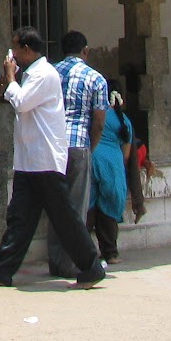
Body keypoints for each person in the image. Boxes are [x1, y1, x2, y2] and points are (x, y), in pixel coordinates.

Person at [0, 27, 107, 289]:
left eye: (14, 48)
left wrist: (11, 77)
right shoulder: (31, 74)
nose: (11, 55)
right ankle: (0, 271)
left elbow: (21, 102)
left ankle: (90, 267)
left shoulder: (44, 74)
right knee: (19, 218)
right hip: (28, 161)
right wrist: (10, 80)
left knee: (64, 217)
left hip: (44, 159)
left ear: (26, 49)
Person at [49, 30, 108, 278]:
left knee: (55, 206)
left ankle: (56, 262)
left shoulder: (50, 73)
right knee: (76, 208)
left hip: (51, 146)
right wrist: (90, 147)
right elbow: (99, 122)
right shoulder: (96, 79)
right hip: (78, 145)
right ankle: (74, 262)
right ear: (85, 51)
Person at [89, 81, 136, 264]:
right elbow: (126, 154)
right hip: (113, 164)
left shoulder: (93, 115)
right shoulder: (124, 121)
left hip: (91, 159)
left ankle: (84, 254)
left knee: (88, 206)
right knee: (108, 209)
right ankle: (111, 253)